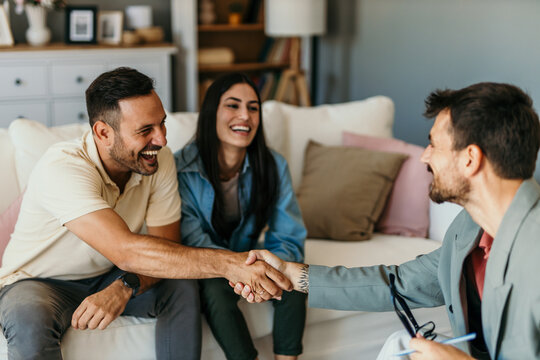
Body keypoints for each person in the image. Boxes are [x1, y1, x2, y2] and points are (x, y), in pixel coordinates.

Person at [0, 67, 291, 360]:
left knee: (180, 286)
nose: (162, 140)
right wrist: (233, 264)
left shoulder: (156, 161)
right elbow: (126, 250)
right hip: (36, 282)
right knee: (29, 318)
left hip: (106, 274)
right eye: (145, 130)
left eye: (162, 124)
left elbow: (168, 246)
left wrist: (125, 284)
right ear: (103, 133)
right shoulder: (63, 168)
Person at [235, 82, 540, 359]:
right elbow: (399, 282)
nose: (424, 157)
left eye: (433, 145)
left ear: (470, 159)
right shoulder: (468, 228)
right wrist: (290, 273)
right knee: (399, 346)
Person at [175, 73, 307, 360]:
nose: (245, 116)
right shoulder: (180, 168)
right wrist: (240, 268)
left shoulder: (273, 165)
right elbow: (192, 240)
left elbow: (288, 234)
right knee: (214, 291)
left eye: (253, 107)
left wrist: (270, 266)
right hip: (209, 262)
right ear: (212, 113)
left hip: (249, 255)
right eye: (233, 106)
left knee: (294, 273)